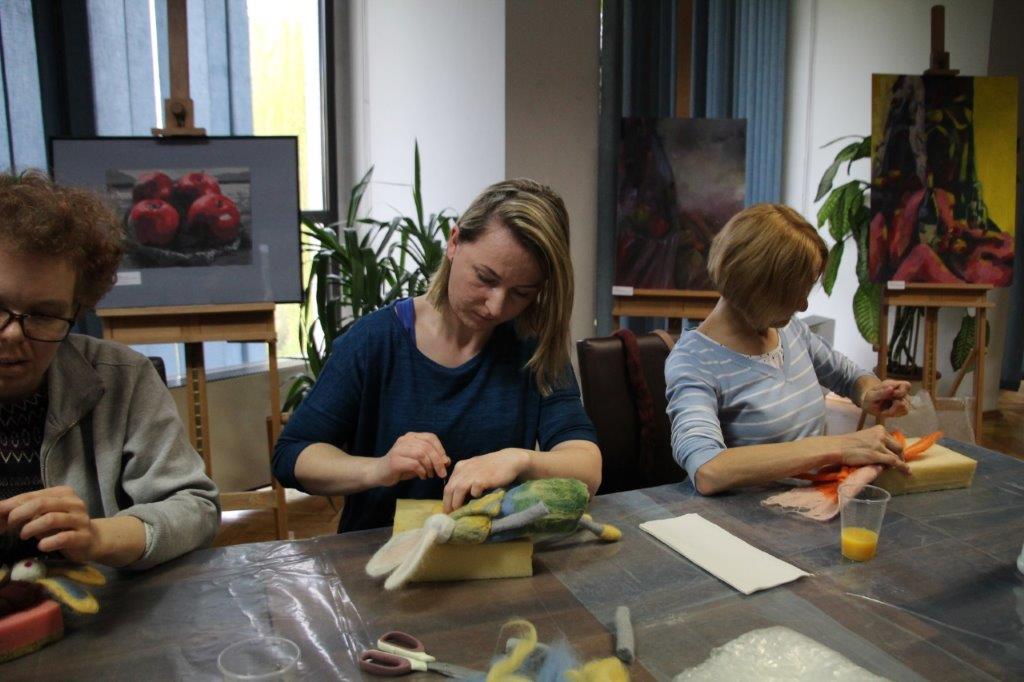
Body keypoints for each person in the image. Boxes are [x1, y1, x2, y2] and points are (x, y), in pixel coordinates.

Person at [273, 179, 601, 532]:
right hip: (380, 553)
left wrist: (519, 461)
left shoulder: (533, 348)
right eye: (485, 278)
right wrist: (380, 468)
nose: (496, 307)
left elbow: (587, 467)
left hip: (490, 552)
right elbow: (292, 455)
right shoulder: (374, 341)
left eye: (520, 293)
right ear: (454, 242)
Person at [0, 171, 220, 569]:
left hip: (93, 603)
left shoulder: (121, 377)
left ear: (77, 308)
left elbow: (194, 508)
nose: (13, 333)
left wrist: (99, 537)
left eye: (44, 315)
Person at [665, 203, 912, 496]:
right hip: (746, 517)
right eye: (794, 293)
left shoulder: (789, 330)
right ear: (757, 287)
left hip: (808, 502)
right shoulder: (693, 362)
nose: (803, 306)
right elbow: (708, 469)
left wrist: (869, 392)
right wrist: (840, 446)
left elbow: (848, 376)